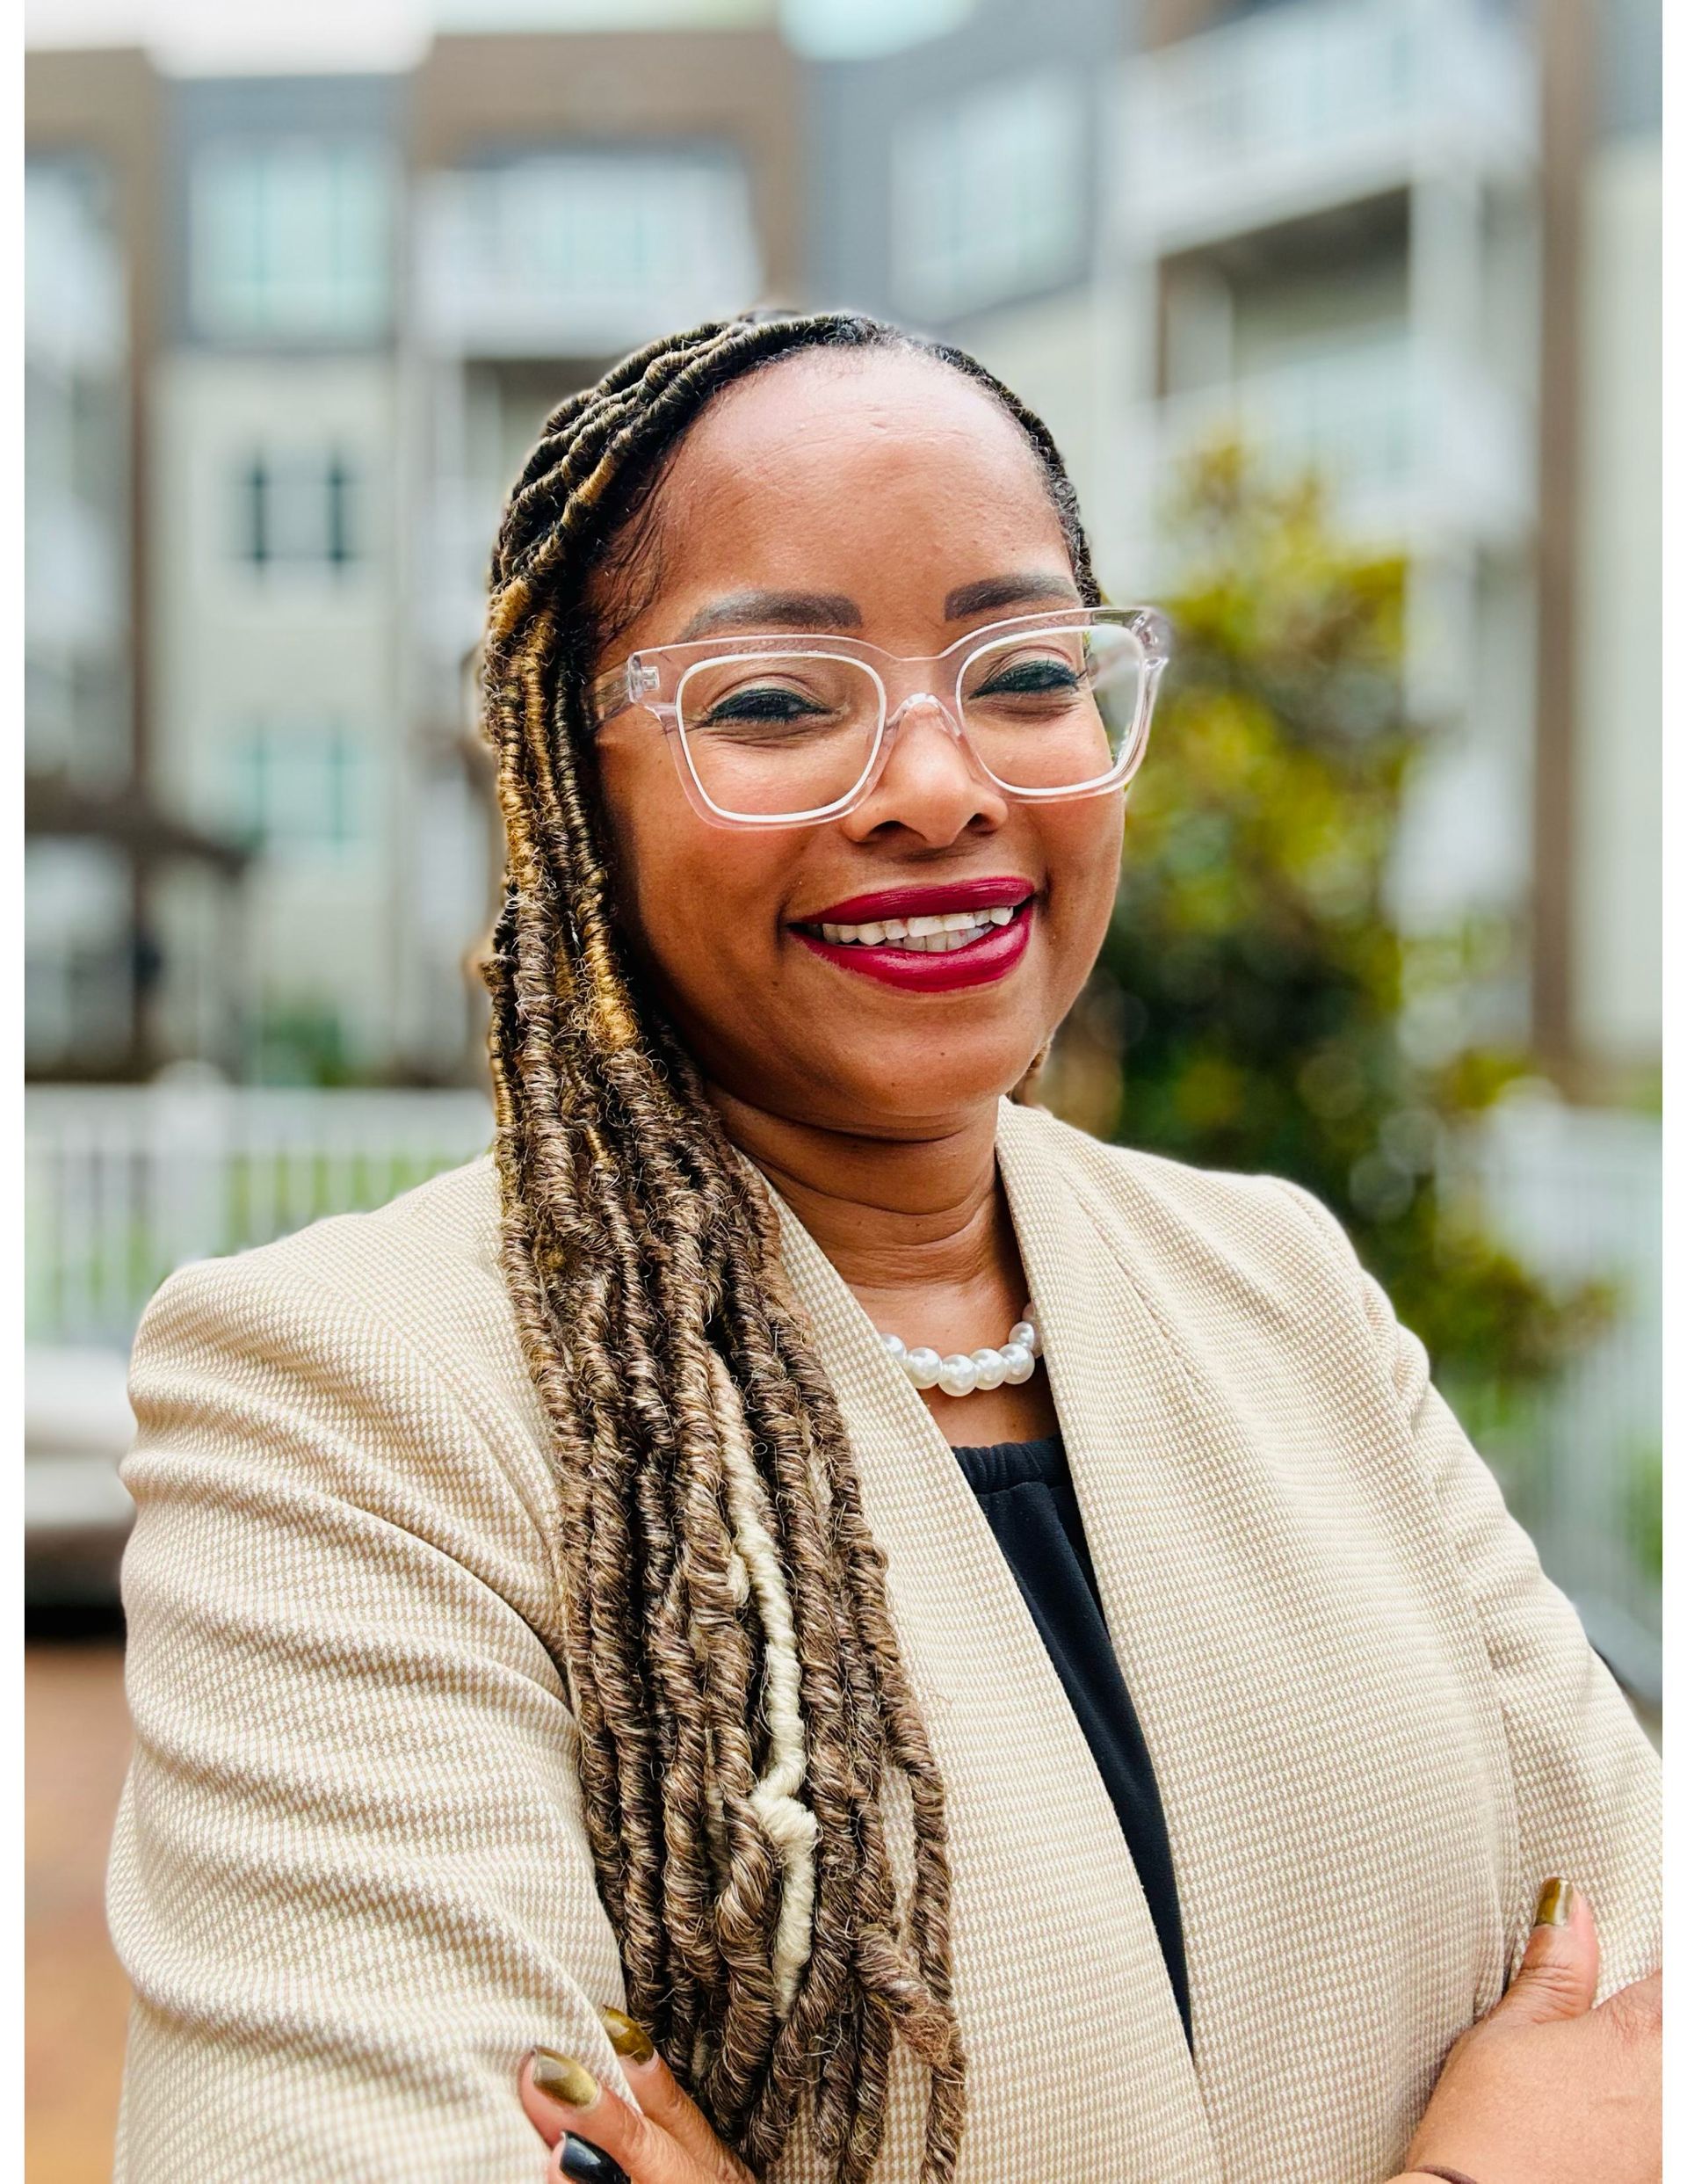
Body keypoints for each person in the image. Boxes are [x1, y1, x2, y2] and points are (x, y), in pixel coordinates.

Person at [108, 312, 1661, 2184]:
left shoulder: (1285, 1288)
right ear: (574, 789)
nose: (939, 783)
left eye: (1025, 670)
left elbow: (1643, 1998)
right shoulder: (346, 1399)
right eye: (778, 699)